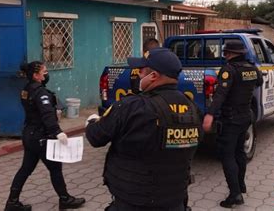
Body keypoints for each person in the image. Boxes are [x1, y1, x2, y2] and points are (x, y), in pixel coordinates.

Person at [85, 48, 201, 210]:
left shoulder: (131, 106)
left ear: (153, 76)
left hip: (134, 201)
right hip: (175, 200)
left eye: (141, 71)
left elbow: (96, 137)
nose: (138, 74)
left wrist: (91, 123)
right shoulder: (192, 108)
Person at [5, 61, 85, 211]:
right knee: (55, 168)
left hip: (29, 134)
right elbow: (47, 114)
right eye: (44, 72)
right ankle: (65, 199)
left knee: (25, 169)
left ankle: (12, 202)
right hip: (41, 137)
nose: (46, 74)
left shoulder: (26, 89)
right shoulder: (41, 93)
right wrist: (57, 132)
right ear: (36, 75)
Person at [202, 40, 263, 208]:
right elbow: (259, 82)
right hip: (246, 117)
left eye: (226, 53)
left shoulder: (228, 70)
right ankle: (241, 185)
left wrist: (209, 114)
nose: (225, 56)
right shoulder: (251, 67)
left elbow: (220, 95)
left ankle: (235, 194)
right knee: (239, 152)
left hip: (230, 119)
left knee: (227, 155)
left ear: (229, 53)